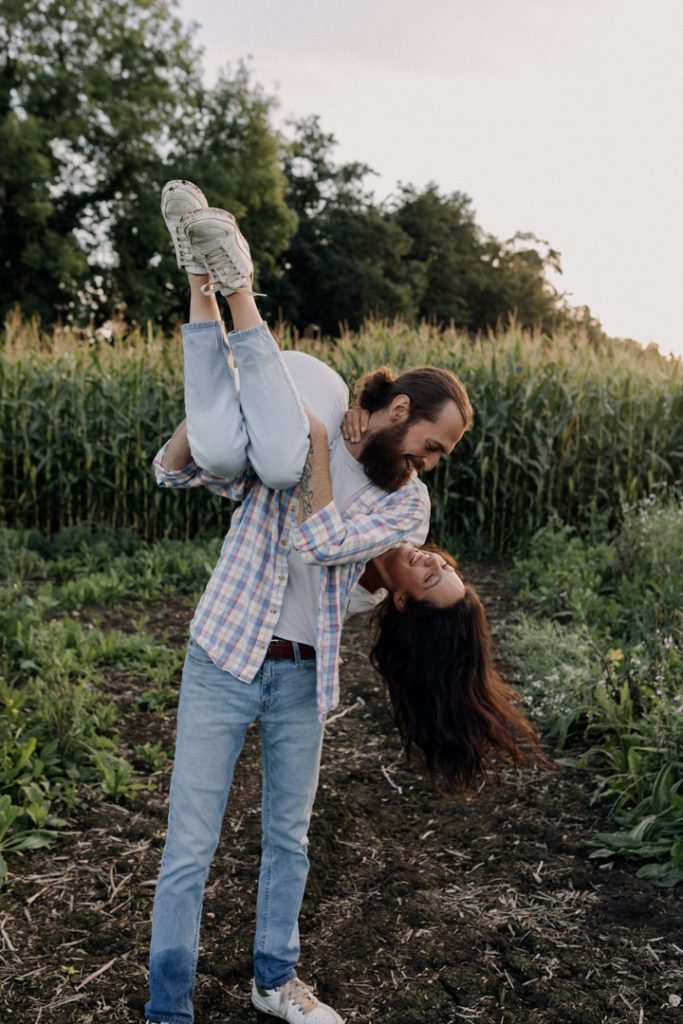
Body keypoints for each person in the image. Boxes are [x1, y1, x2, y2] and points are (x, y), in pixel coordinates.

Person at [144, 181, 472, 1024]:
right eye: (429, 445)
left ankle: (273, 981)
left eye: (437, 457)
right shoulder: (313, 407)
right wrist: (216, 397)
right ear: (400, 410)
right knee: (189, 848)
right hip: (222, 652)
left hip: (299, 680)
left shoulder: (404, 506)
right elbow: (187, 467)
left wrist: (315, 445)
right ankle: (167, 1008)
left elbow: (315, 541)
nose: (430, 463)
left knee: (286, 840)